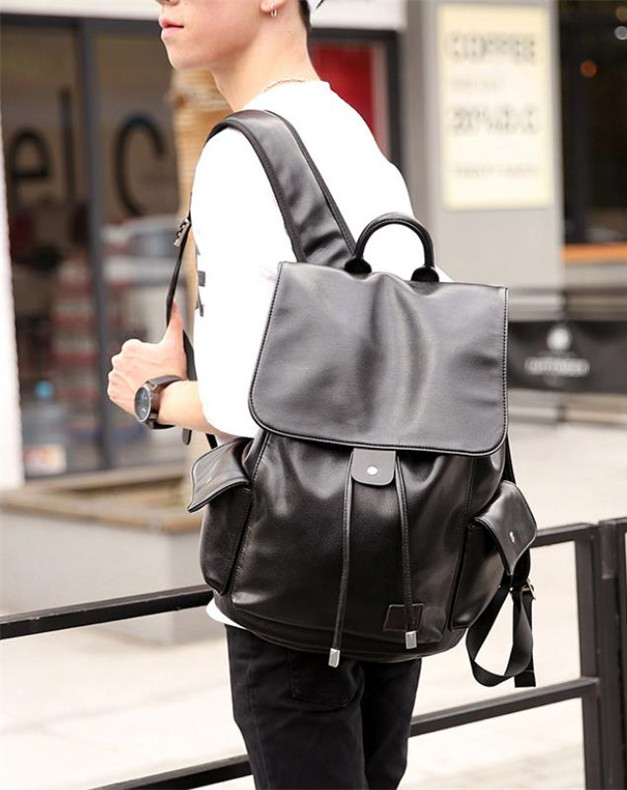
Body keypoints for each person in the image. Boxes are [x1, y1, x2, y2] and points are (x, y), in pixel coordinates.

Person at [107, 1, 437, 788]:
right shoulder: (349, 133)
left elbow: (247, 402)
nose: (165, 1)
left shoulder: (241, 151)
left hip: (295, 577)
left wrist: (154, 392)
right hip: (395, 554)